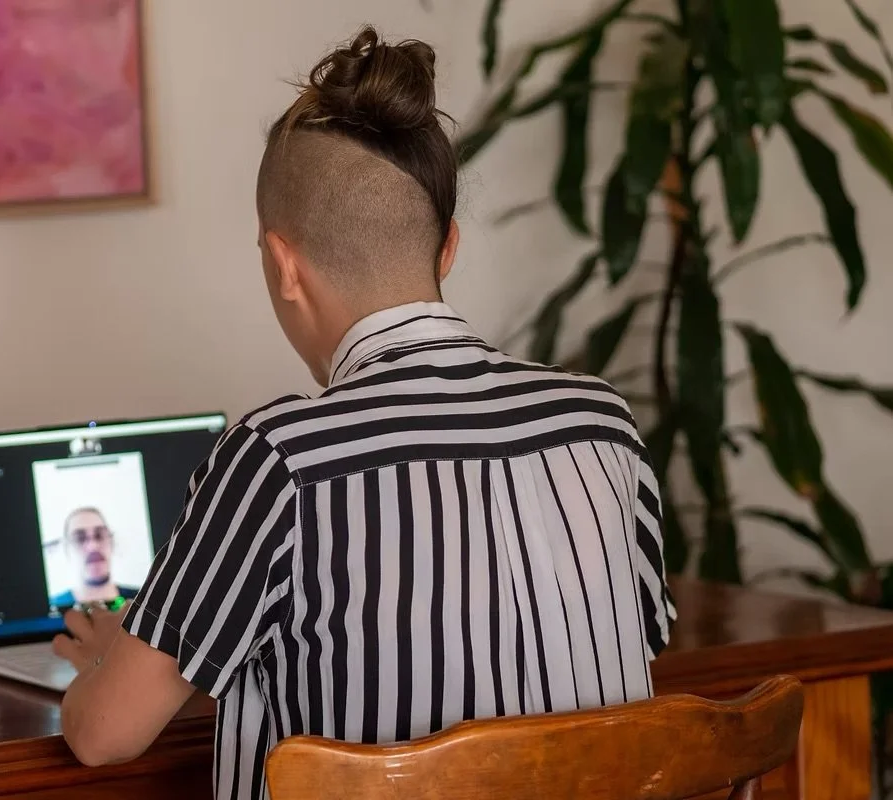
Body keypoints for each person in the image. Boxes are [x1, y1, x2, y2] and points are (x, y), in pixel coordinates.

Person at [52, 27, 674, 799]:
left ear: (284, 265)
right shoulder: (604, 426)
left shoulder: (280, 460)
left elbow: (104, 737)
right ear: (448, 247)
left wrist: (114, 658)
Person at [48, 507, 139, 608]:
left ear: (111, 543)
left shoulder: (144, 601)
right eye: (79, 538)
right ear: (67, 550)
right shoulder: (53, 606)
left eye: (99, 535)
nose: (93, 547)